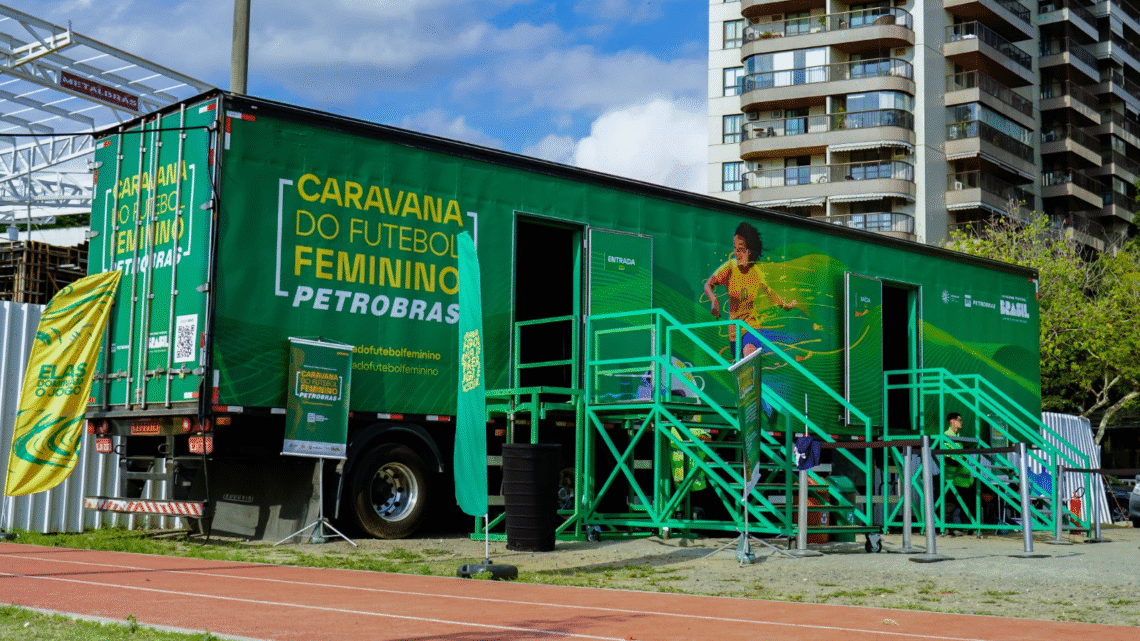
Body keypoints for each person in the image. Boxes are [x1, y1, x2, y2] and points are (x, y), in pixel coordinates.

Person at [703, 222, 795, 359]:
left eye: (741, 249)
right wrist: (714, 300)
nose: (736, 253)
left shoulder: (757, 273)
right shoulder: (729, 268)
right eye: (735, 248)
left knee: (749, 351)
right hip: (734, 332)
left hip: (751, 327)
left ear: (750, 251)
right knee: (742, 371)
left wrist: (786, 306)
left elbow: (771, 294)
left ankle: (750, 357)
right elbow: (708, 285)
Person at [942, 412, 975, 534]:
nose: (961, 422)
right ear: (952, 421)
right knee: (951, 505)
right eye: (959, 420)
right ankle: (950, 528)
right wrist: (959, 461)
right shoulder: (946, 436)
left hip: (963, 479)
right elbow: (947, 458)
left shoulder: (958, 438)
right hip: (953, 478)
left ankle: (965, 527)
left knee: (966, 505)